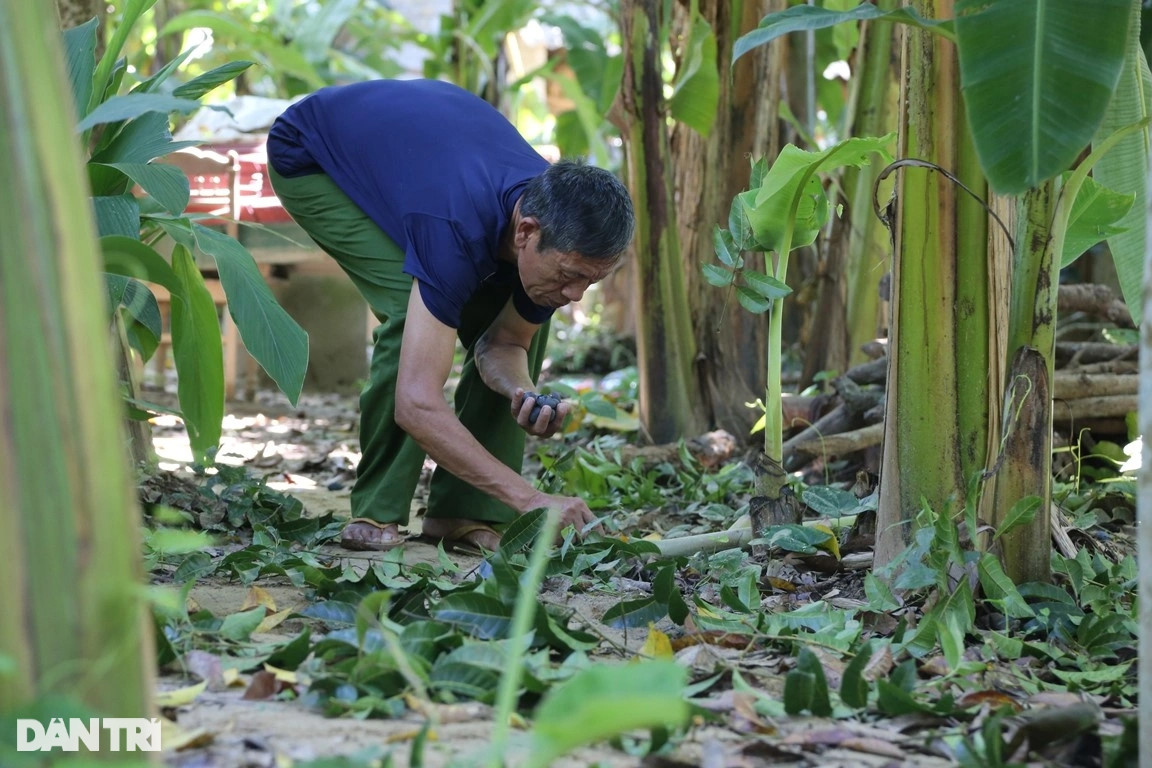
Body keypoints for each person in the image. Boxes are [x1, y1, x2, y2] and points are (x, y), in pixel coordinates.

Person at [265, 78, 635, 552]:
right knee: (408, 309)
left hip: (424, 158)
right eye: (570, 275)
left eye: (591, 280)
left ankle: (464, 510)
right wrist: (529, 499)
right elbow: (416, 403)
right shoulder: (454, 226)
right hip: (313, 154)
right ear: (526, 231)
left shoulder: (550, 237)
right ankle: (378, 507)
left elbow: (503, 343)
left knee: (517, 305)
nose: (576, 294)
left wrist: (520, 392)